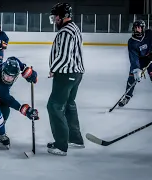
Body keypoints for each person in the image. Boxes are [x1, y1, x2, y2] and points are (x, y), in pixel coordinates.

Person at [46, 2, 85, 156]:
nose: (54, 20)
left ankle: (61, 145)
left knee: (54, 106)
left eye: (55, 16)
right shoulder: (74, 28)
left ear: (62, 16)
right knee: (69, 104)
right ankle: (75, 139)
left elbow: (64, 56)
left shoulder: (65, 32)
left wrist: (53, 68)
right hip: (76, 73)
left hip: (66, 74)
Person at [118, 20, 152, 107]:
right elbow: (133, 57)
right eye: (136, 27)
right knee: (132, 77)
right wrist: (136, 70)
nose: (137, 29)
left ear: (143, 28)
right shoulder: (132, 42)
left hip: (150, 58)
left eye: (140, 27)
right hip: (139, 60)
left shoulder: (149, 34)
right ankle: (127, 97)